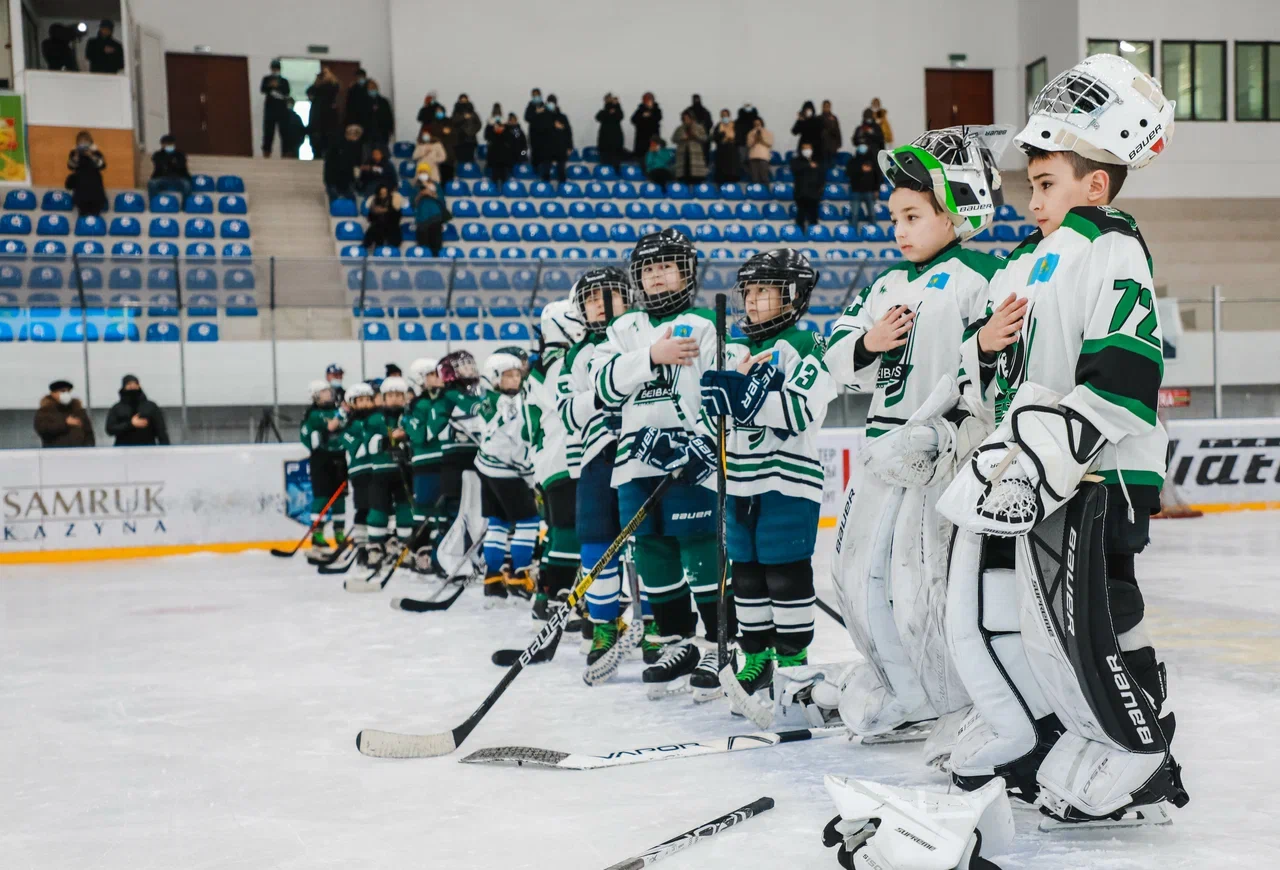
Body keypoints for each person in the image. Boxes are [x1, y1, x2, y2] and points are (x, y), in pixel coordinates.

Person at [937, 55, 1187, 826]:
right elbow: (990, 384)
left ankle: (1142, 749)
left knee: (1101, 608)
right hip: (1040, 474)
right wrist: (982, 349)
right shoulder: (1028, 263)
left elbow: (1122, 373)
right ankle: (1053, 734)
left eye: (1045, 185)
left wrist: (1048, 448)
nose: (1031, 198)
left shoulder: (1110, 245)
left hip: (1099, 474)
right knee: (1029, 616)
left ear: (1095, 185)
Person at [823, 125, 1007, 755]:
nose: (898, 229)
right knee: (851, 577)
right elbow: (836, 356)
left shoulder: (985, 276)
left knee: (923, 587)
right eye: (894, 216)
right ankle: (902, 687)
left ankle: (947, 696)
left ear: (956, 212)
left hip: (940, 459)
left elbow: (996, 370)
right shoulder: (884, 286)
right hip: (881, 454)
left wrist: (956, 434)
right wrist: (868, 344)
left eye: (912, 214)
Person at [589, 229, 736, 701]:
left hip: (693, 459)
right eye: (647, 269)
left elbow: (722, 389)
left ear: (686, 271)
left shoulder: (705, 324)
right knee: (653, 553)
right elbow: (603, 388)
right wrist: (651, 356)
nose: (655, 276)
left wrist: (708, 444)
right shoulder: (623, 329)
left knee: (699, 548)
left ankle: (720, 643)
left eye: (666, 266)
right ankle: (679, 641)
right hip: (637, 460)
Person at [700, 249, 835, 717]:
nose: (753, 301)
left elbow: (799, 411)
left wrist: (743, 397)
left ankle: (793, 664)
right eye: (749, 292)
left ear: (792, 294)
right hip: (740, 480)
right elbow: (718, 417)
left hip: (787, 479)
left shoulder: (806, 344)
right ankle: (756, 659)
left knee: (785, 572)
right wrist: (713, 402)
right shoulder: (737, 349)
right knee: (748, 573)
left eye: (764, 291)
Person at [558, 269, 657, 677]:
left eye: (611, 293)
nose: (602, 302)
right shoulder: (576, 355)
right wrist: (604, 392)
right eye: (592, 298)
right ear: (580, 309)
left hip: (643, 451)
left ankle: (657, 625)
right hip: (598, 457)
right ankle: (603, 626)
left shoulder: (645, 333)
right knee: (597, 543)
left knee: (652, 542)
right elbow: (566, 414)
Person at [525, 301, 587, 616]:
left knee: (558, 529)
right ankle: (558, 598)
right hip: (562, 456)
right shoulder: (555, 363)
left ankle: (543, 598)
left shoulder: (543, 362)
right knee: (568, 529)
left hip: (550, 459)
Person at [474, 352, 540, 602]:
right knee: (528, 521)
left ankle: (492, 579)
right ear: (493, 378)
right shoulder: (510, 404)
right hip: (508, 471)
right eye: (508, 376)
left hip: (487, 467)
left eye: (516, 375)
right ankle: (518, 576)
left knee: (498, 522)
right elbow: (519, 438)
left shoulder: (485, 401)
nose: (514, 380)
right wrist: (530, 473)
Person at [357, 377, 416, 569]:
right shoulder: (374, 418)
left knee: (405, 510)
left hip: (404, 472)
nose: (395, 399)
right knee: (378, 511)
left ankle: (404, 548)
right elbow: (369, 445)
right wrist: (390, 439)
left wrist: (406, 444)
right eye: (391, 395)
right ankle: (375, 548)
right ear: (383, 397)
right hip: (380, 472)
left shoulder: (409, 416)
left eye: (399, 395)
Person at [403, 358, 446, 568]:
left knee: (444, 511)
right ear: (420, 379)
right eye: (432, 375)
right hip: (424, 464)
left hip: (447, 462)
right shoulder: (416, 406)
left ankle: (440, 554)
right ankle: (419, 550)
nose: (438, 379)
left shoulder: (446, 400)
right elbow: (421, 435)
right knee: (424, 509)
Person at [300, 380, 348, 562]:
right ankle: (317, 533)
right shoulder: (313, 415)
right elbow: (323, 430)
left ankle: (339, 532)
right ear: (315, 396)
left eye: (329, 391)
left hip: (340, 458)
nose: (329, 394)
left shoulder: (336, 410)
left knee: (340, 497)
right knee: (322, 496)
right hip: (321, 460)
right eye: (324, 392)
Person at [337, 382, 376, 566]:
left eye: (369, 400)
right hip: (360, 473)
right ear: (352, 404)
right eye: (361, 400)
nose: (366, 404)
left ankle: (376, 546)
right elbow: (360, 449)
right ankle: (362, 547)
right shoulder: (348, 429)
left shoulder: (376, 420)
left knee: (379, 508)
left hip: (377, 471)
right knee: (363, 509)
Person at [106, 375, 170, 446]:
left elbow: (161, 431)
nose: (132, 386)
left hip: (148, 449)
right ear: (124, 387)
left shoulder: (151, 406)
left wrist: (166, 450)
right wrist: (130, 424)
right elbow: (110, 429)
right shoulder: (117, 408)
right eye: (129, 384)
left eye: (135, 384)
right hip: (123, 449)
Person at [34, 380, 95, 448]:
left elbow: (88, 432)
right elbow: (43, 429)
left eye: (68, 391)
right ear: (53, 393)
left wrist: (88, 447)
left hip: (78, 452)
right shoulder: (45, 411)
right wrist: (65, 423)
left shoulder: (78, 410)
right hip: (55, 452)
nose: (66, 394)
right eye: (62, 391)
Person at [66, 131, 107, 217]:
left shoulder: (96, 153)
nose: (83, 143)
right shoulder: (74, 153)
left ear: (90, 142)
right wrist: (76, 156)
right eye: (81, 141)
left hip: (95, 188)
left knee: (95, 215)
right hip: (81, 188)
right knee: (83, 215)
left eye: (86, 141)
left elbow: (102, 165)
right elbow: (70, 166)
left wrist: (91, 155)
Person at [845, 137, 881, 236]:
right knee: (854, 214)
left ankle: (874, 233)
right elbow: (848, 173)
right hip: (856, 191)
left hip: (869, 191)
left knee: (872, 214)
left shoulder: (873, 161)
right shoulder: (853, 161)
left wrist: (877, 189)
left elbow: (877, 176)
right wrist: (861, 170)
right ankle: (853, 234)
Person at [306, 67, 341, 159]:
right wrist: (317, 81)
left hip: (328, 119)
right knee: (317, 141)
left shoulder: (332, 86)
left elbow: (335, 87)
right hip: (317, 119)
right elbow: (309, 92)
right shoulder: (316, 88)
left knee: (328, 141)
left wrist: (329, 77)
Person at [324, 124, 363, 202]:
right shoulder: (336, 145)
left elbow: (354, 163)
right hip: (334, 178)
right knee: (335, 200)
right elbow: (330, 163)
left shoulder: (355, 146)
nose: (357, 138)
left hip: (346, 179)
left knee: (351, 199)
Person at [148, 134, 192, 203]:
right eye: (166, 144)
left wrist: (169, 163)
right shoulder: (157, 155)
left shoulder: (180, 154)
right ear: (162, 145)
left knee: (187, 184)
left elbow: (181, 166)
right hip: (162, 177)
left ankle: (186, 205)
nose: (168, 146)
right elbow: (159, 166)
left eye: (170, 144)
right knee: (152, 183)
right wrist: (171, 162)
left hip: (179, 177)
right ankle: (154, 203)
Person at [790, 142, 823, 233]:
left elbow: (821, 176)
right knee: (801, 215)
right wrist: (808, 165)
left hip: (814, 194)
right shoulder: (796, 161)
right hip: (801, 193)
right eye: (804, 148)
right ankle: (800, 234)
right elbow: (795, 169)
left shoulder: (817, 162)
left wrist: (820, 190)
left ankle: (815, 234)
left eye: (808, 148)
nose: (807, 151)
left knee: (813, 216)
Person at [260, 60, 291, 157]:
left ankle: (286, 154)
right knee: (268, 133)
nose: (275, 70)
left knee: (284, 132)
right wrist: (270, 85)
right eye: (274, 68)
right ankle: (266, 153)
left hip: (282, 110)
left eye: (277, 68)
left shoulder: (284, 81)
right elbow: (262, 89)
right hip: (270, 110)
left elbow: (287, 92)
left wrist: (278, 86)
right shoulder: (266, 79)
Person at [413, 176, 449, 254]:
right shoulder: (416, 186)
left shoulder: (436, 185)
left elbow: (442, 202)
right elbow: (412, 203)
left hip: (435, 218)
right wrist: (421, 194)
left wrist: (432, 193)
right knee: (423, 249)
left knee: (436, 247)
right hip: (422, 220)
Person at [363, 183, 406, 249]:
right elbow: (370, 218)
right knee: (374, 228)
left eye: (385, 193)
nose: (383, 195)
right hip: (378, 227)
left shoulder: (393, 201)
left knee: (393, 230)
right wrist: (374, 211)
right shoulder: (375, 201)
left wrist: (385, 210)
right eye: (381, 193)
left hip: (392, 226)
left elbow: (397, 216)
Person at [672, 111, 708, 186]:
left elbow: (705, 138)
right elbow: (674, 139)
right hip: (683, 155)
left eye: (688, 118)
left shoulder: (699, 127)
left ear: (692, 118)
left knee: (696, 177)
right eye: (684, 118)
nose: (686, 120)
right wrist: (681, 138)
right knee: (684, 176)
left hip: (695, 155)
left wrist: (696, 135)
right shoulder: (679, 128)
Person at [527, 97, 557, 183]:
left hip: (550, 144)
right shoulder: (541, 114)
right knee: (538, 160)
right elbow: (530, 120)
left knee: (547, 163)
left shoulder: (557, 114)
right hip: (540, 143)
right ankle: (539, 176)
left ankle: (546, 180)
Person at [596, 93, 626, 174]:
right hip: (604, 142)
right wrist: (608, 110)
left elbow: (621, 116)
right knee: (605, 165)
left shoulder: (617, 112)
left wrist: (617, 105)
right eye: (608, 100)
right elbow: (598, 117)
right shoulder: (603, 112)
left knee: (616, 163)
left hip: (616, 142)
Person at [364, 80, 395, 153]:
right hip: (368, 133)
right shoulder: (364, 102)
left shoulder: (384, 101)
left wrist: (391, 129)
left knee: (382, 153)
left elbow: (389, 116)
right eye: (370, 89)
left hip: (382, 132)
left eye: (374, 88)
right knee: (369, 154)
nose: (372, 90)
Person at [484, 116, 516, 186]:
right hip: (494, 160)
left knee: (504, 179)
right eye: (497, 126)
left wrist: (506, 126)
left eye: (501, 126)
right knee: (494, 179)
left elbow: (511, 137)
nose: (499, 127)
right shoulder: (492, 133)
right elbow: (487, 136)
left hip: (504, 161)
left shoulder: (507, 133)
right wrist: (489, 125)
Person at [630, 93, 662, 162]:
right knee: (641, 159)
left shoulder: (657, 110)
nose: (648, 102)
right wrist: (642, 116)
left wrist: (650, 112)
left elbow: (658, 118)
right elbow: (633, 120)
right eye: (646, 100)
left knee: (653, 159)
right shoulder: (640, 110)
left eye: (649, 100)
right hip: (641, 139)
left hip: (653, 139)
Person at [452, 95, 482, 165]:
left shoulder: (473, 113)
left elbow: (479, 124)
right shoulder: (456, 113)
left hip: (471, 139)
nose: (463, 101)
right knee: (459, 159)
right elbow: (453, 122)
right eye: (462, 100)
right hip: (459, 139)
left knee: (470, 158)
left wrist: (472, 131)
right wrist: (463, 117)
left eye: (465, 100)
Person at [745, 117, 773, 185]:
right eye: (755, 124)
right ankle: (756, 192)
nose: (757, 125)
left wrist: (761, 140)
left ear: (761, 123)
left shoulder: (767, 132)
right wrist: (755, 140)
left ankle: (767, 193)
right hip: (753, 157)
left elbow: (770, 144)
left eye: (758, 123)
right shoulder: (751, 133)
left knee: (764, 177)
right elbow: (749, 145)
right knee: (755, 178)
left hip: (764, 157)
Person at [684, 94, 713, 159]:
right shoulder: (688, 111)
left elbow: (710, 124)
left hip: (703, 141)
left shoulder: (705, 112)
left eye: (697, 99)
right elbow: (684, 123)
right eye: (695, 99)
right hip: (691, 141)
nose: (696, 101)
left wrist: (702, 128)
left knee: (704, 158)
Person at [345, 68, 372, 134]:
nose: (359, 79)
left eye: (361, 77)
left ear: (365, 77)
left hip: (368, 117)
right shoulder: (353, 88)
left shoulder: (370, 86)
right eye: (358, 77)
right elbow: (349, 104)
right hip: (356, 118)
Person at [820, 100, 842, 169]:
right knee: (822, 167)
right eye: (825, 106)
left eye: (828, 106)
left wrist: (839, 143)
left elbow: (837, 132)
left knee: (832, 166)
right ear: (822, 107)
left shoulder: (834, 118)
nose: (826, 108)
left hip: (832, 147)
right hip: (821, 147)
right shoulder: (819, 118)